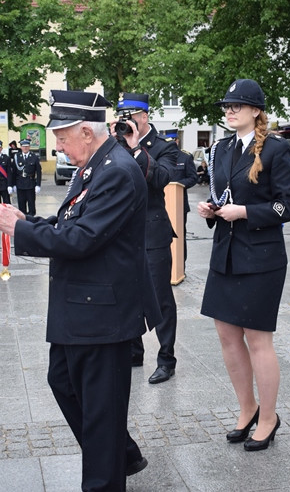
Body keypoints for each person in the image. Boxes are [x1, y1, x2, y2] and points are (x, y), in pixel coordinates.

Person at [0, 90, 160, 491]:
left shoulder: (116, 171)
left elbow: (82, 238)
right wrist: (27, 220)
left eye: (63, 139)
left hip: (103, 313)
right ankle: (122, 453)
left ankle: (107, 472)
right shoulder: (93, 166)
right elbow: (71, 220)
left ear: (86, 132)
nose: (59, 148)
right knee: (63, 382)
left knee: (100, 412)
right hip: (81, 307)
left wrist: (20, 230)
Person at [196, 78, 290, 451]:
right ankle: (247, 408)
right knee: (227, 336)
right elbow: (222, 194)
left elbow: (289, 206)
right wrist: (212, 210)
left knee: (258, 340)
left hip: (260, 258)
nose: (230, 111)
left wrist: (245, 212)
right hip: (225, 253)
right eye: (227, 106)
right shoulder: (221, 148)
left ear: (256, 110)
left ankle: (268, 417)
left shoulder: (276, 148)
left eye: (237, 105)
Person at [111, 92, 180, 384]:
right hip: (121, 232)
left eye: (130, 117)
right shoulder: (114, 144)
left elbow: (163, 178)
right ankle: (134, 351)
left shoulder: (164, 146)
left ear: (144, 117)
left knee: (160, 297)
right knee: (127, 294)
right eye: (122, 117)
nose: (126, 122)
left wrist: (137, 147)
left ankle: (166, 359)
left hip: (152, 232)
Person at [171, 148, 198, 262]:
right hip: (159, 204)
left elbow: (193, 178)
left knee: (179, 236)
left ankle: (180, 265)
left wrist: (177, 185)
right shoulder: (157, 154)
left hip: (179, 204)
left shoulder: (185, 156)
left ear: (176, 141)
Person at [11, 139, 41, 216]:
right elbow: (13, 172)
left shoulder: (34, 157)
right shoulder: (17, 157)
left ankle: (31, 221)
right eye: (23, 146)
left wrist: (38, 185)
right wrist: (13, 184)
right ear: (21, 147)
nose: (25, 148)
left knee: (31, 206)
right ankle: (23, 221)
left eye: (27, 146)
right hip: (20, 184)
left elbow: (38, 172)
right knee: (21, 206)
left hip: (30, 184)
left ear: (29, 147)